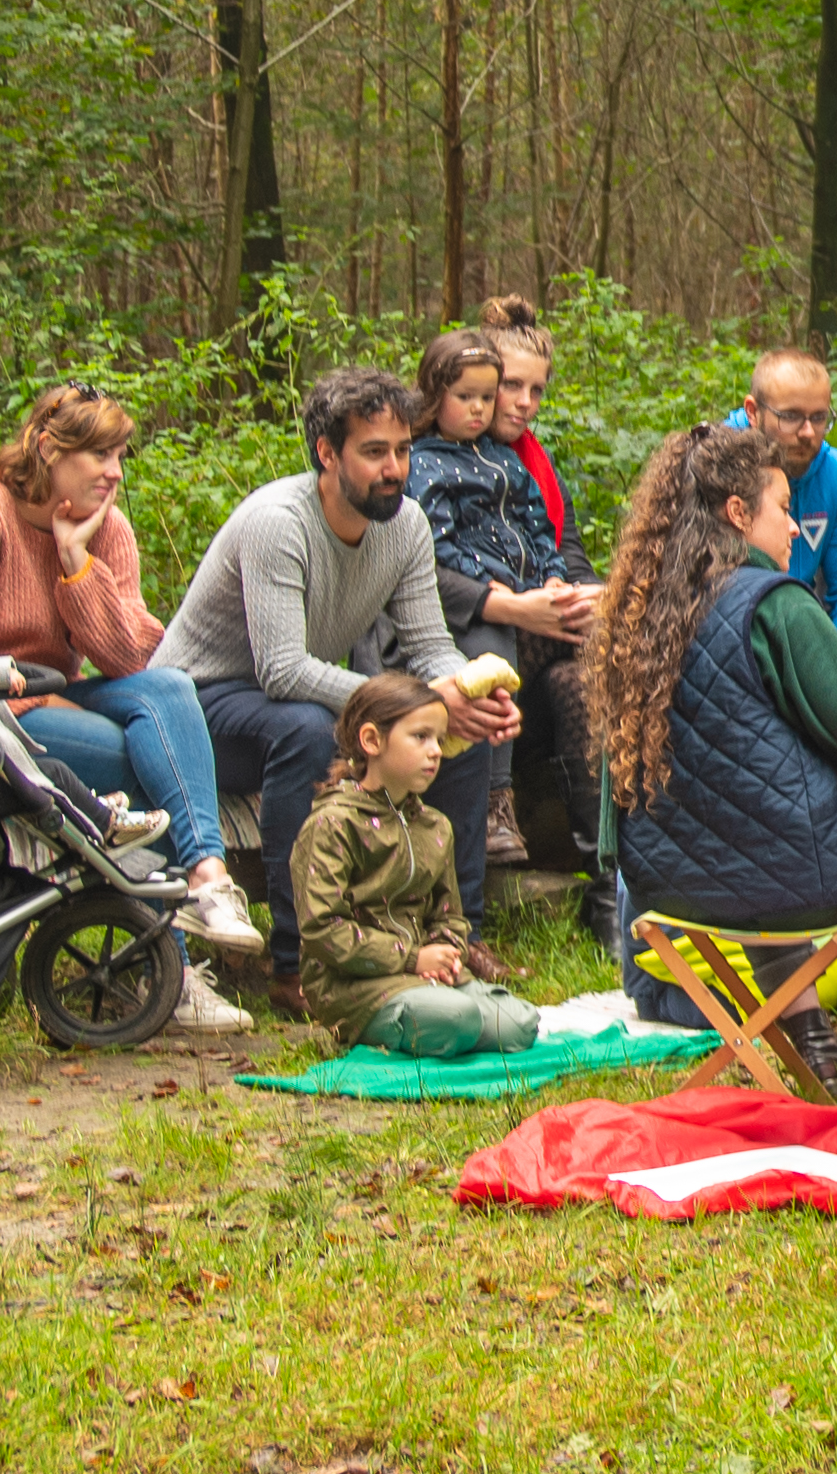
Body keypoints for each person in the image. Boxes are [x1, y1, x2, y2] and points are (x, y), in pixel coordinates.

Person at [587, 420, 837, 1095]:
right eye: (782, 510)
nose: (794, 530)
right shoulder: (773, 602)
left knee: (756, 842)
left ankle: (817, 1056)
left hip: (669, 882)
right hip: (794, 875)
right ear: (738, 513)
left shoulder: (645, 611)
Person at [156, 368, 499, 1003]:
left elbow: (427, 643)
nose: (393, 468)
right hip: (200, 707)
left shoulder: (406, 524)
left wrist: (463, 691)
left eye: (401, 451)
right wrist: (414, 703)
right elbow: (280, 669)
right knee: (308, 733)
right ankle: (296, 964)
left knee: (455, 732)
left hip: (293, 693)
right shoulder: (277, 522)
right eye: (373, 453)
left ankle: (455, 939)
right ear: (326, 453)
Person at [0, 382, 270, 983]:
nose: (114, 473)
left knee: (170, 690)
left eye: (121, 455)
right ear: (49, 449)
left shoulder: (106, 529)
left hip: (52, 694)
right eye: (99, 455)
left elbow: (132, 658)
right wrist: (32, 693)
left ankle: (209, 880)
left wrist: (76, 560)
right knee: (144, 766)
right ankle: (170, 974)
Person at [404, 327, 592, 891]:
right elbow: (427, 553)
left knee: (600, 656)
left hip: (536, 607)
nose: (515, 404)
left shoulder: (519, 463)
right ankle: (495, 804)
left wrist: (567, 588)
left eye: (533, 391)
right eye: (507, 388)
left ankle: (621, 858)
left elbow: (555, 541)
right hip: (468, 627)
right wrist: (505, 598)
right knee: (495, 640)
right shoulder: (422, 462)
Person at [290, 675, 539, 1061]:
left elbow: (451, 917)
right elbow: (322, 928)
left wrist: (444, 955)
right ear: (372, 741)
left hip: (423, 976)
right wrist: (411, 958)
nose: (435, 751)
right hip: (355, 985)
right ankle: (382, 1028)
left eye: (439, 739)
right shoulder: (334, 824)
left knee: (520, 1024)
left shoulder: (434, 826)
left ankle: (436, 1016)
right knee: (460, 1019)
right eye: (420, 737)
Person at [733, 348, 837, 648]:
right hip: (729, 637)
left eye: (818, 418)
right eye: (790, 417)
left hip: (802, 634)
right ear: (752, 411)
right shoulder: (715, 468)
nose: (807, 433)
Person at [482, 295, 579, 550]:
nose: (526, 402)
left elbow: (569, 553)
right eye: (512, 385)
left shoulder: (541, 462)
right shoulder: (438, 458)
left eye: (536, 390)